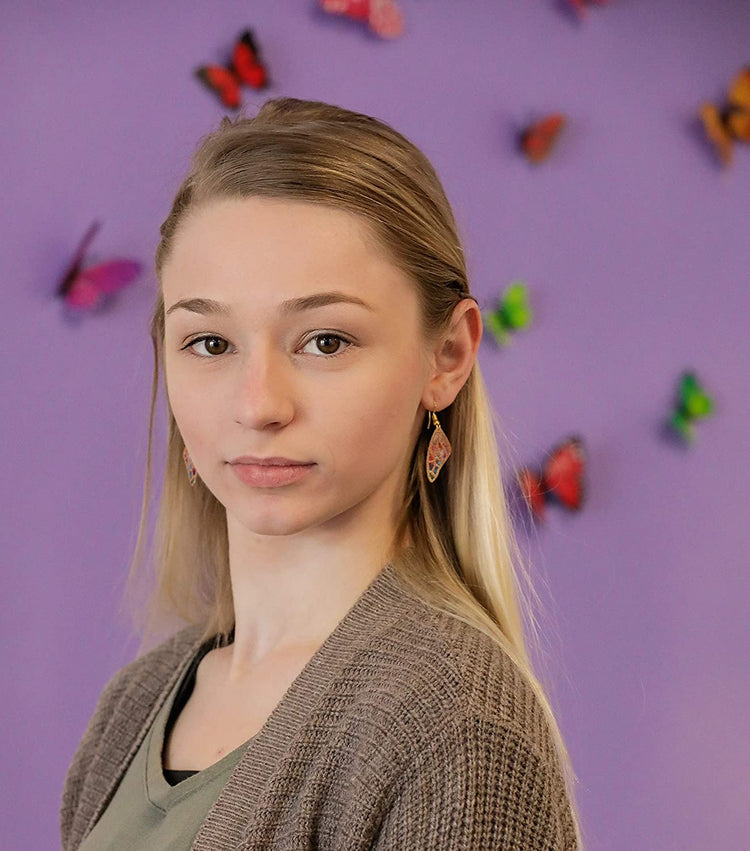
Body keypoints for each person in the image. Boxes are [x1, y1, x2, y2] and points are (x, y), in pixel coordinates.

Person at [59, 96, 584, 850]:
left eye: (326, 340)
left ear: (448, 356)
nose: (258, 403)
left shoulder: (456, 723)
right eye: (209, 343)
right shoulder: (136, 703)